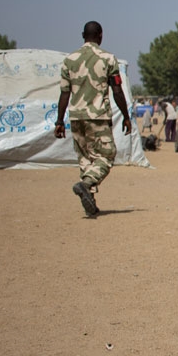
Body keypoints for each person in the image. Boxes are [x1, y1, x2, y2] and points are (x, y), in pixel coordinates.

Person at [54, 21, 132, 218]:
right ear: (100, 35)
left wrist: (59, 121)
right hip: (97, 116)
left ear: (83, 35)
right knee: (106, 155)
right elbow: (116, 90)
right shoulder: (107, 58)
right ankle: (86, 185)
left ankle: (90, 201)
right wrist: (126, 116)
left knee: (85, 159)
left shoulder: (69, 60)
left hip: (76, 117)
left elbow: (64, 93)